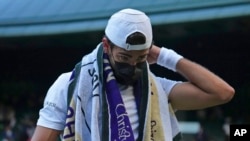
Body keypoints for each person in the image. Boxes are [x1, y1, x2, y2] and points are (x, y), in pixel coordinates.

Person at [31, 8, 235, 141]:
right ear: (106, 45)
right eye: (124, 57)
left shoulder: (158, 89)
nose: (132, 65)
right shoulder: (69, 84)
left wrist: (164, 56)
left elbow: (222, 93)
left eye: (140, 58)